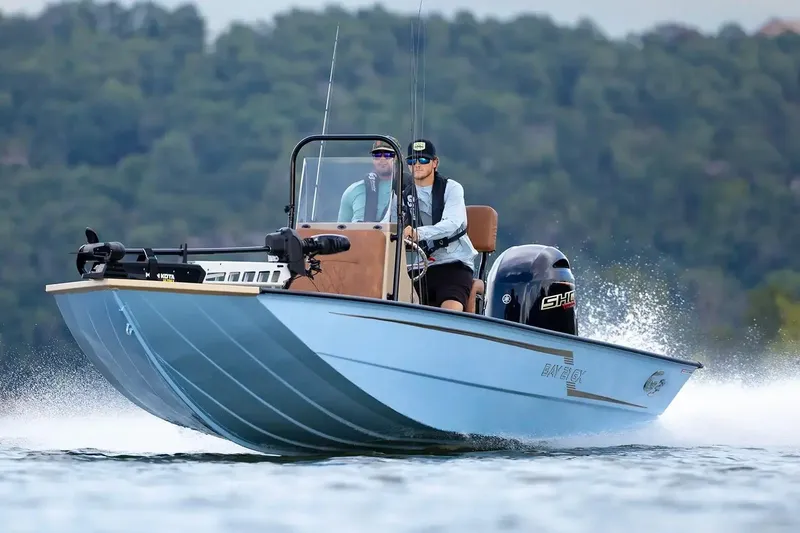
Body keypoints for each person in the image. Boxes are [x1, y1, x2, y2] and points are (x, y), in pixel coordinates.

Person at [382, 139, 478, 312]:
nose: (417, 164)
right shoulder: (401, 193)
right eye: (412, 161)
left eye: (423, 160)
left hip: (454, 263)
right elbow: (385, 224)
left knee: (451, 310)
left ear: (435, 163)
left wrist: (418, 233)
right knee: (393, 303)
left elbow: (453, 223)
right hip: (420, 266)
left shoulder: (451, 188)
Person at [337, 139, 399, 223]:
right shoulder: (353, 191)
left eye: (388, 155)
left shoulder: (408, 189)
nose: (382, 159)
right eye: (377, 155)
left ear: (398, 158)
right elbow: (341, 230)